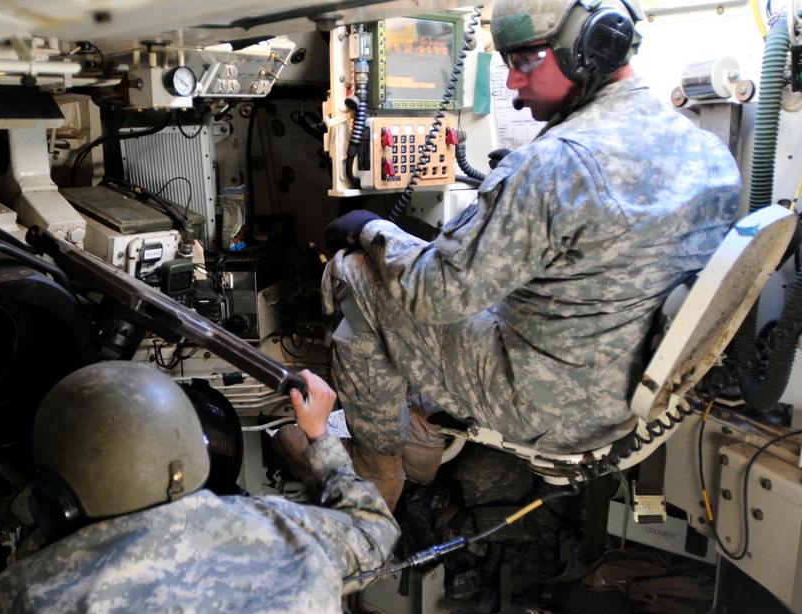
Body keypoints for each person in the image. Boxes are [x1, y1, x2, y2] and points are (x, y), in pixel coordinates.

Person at [318, 0, 743, 510]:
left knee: (352, 274)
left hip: (544, 405)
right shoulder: (709, 151)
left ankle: (378, 468)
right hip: (628, 397)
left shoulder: (553, 164)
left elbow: (434, 292)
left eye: (524, 62)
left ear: (591, 48)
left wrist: (371, 228)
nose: (514, 84)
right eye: (506, 65)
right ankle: (424, 430)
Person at [0, 362, 399, 614]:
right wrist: (318, 436)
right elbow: (375, 531)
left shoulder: (30, 596)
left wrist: (34, 552)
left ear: (57, 499)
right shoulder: (283, 526)